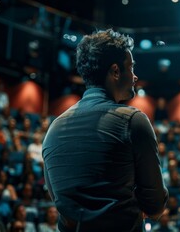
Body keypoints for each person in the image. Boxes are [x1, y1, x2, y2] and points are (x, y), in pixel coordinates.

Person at [42, 29, 168, 232]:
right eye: (131, 67)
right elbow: (155, 206)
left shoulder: (53, 129)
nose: (135, 76)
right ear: (115, 71)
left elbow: (60, 200)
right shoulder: (133, 121)